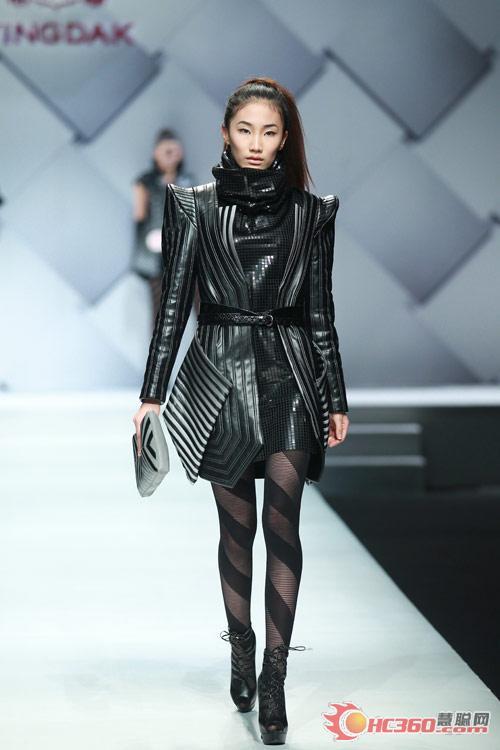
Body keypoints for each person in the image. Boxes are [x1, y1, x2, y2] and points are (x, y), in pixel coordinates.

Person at [132, 77, 350, 745]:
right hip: (220, 375)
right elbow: (173, 305)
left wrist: (336, 396)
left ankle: (275, 677)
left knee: (283, 525)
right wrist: (150, 394)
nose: (257, 143)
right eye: (246, 129)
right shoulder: (192, 205)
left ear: (285, 140)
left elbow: (320, 310)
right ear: (226, 133)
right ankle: (242, 646)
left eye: (270, 132)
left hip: (290, 375)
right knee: (238, 529)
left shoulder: (313, 212)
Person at [131, 128, 194, 329]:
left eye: (174, 150)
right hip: (156, 255)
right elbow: (140, 217)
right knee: (160, 309)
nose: (170, 154)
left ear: (180, 153)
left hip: (184, 252)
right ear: (155, 153)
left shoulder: (187, 181)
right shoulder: (145, 182)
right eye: (165, 150)